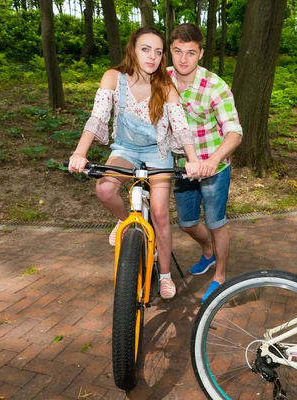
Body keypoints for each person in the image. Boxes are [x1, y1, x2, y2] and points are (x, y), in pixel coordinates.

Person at [68, 27, 199, 300]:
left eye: (158, 51)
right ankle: (126, 221)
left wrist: (193, 160)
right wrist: (79, 153)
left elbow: (181, 128)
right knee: (104, 189)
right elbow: (97, 118)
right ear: (132, 49)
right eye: (145, 49)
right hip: (125, 149)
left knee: (161, 214)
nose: (152, 56)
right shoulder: (114, 78)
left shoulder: (165, 85)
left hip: (157, 152)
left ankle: (164, 274)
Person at [168, 23, 243, 303]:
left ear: (200, 53)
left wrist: (213, 159)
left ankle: (220, 277)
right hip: (180, 168)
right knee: (187, 223)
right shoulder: (162, 80)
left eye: (190, 52)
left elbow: (235, 132)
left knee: (215, 222)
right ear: (171, 52)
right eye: (177, 51)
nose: (183, 59)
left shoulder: (215, 86)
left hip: (214, 168)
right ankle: (208, 252)